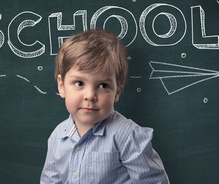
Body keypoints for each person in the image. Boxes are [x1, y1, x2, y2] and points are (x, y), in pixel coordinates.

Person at [40, 29, 170, 183]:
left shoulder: (128, 136)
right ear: (61, 86)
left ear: (117, 91)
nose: (90, 95)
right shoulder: (57, 137)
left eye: (102, 85)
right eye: (79, 83)